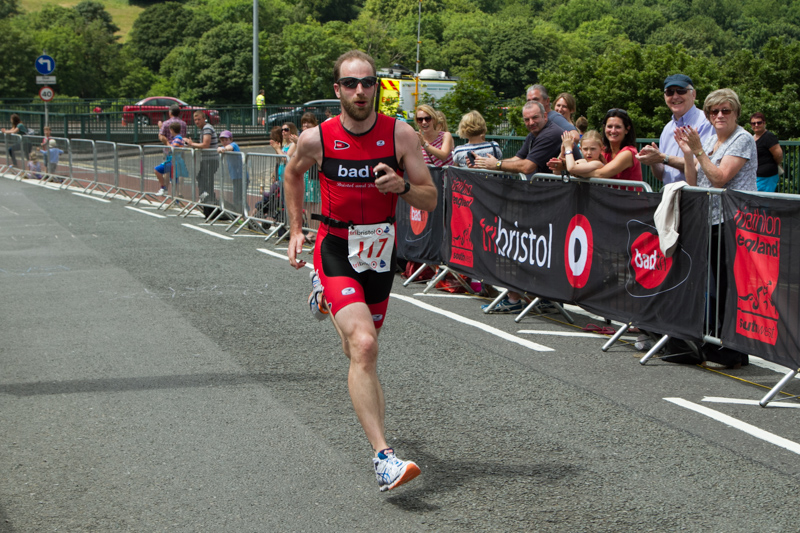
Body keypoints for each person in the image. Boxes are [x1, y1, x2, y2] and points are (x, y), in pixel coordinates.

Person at [284, 49, 436, 492]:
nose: (360, 91)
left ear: (377, 89)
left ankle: (322, 296)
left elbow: (429, 197)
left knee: (355, 350)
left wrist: (403, 186)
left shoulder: (401, 135)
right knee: (365, 345)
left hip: (380, 253)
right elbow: (293, 174)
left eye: (368, 83)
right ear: (337, 90)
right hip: (335, 247)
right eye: (350, 83)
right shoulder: (318, 139)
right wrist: (296, 229)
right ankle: (384, 457)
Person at [674, 88, 756, 369]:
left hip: (734, 221)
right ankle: (715, 340)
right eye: (714, 111)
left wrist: (697, 150)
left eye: (725, 110)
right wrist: (688, 154)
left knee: (727, 285)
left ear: (736, 113)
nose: (719, 115)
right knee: (715, 284)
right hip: (711, 218)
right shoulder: (711, 140)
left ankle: (732, 347)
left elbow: (720, 178)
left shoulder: (741, 139)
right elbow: (694, 182)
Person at [472, 100, 563, 313]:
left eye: (535, 118)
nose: (531, 123)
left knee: (537, 250)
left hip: (553, 203)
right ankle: (530, 296)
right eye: (527, 119)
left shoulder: (551, 134)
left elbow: (527, 166)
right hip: (540, 202)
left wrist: (495, 165)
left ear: (545, 117)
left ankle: (527, 297)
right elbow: (517, 158)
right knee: (531, 249)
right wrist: (485, 163)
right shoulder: (534, 136)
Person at [636, 74, 714, 185]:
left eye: (681, 91)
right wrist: (653, 159)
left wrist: (663, 158)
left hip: (697, 197)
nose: (675, 96)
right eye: (670, 92)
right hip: (671, 197)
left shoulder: (706, 123)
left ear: (693, 94)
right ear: (664, 97)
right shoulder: (667, 129)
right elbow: (661, 176)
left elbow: (703, 166)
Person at [185, 110, 219, 217]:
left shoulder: (207, 128)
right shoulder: (204, 129)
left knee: (206, 183)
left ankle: (210, 207)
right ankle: (207, 206)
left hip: (210, 160)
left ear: (204, 118)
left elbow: (205, 145)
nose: (197, 121)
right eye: (195, 120)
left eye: (199, 119)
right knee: (202, 180)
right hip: (207, 160)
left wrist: (192, 144)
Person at [526, 85, 580, 151]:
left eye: (536, 100)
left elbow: (575, 137)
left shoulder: (554, 118)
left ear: (547, 101)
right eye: (558, 105)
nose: (560, 109)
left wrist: (559, 155)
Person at [749, 112, 783, 192]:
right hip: (756, 176)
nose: (756, 125)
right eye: (753, 123)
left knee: (763, 201)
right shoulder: (752, 138)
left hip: (767, 176)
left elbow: (778, 155)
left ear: (764, 123)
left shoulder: (769, 136)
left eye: (759, 123)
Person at [217, 130, 247, 213]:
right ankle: (241, 213)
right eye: (222, 140)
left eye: (226, 140)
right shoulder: (225, 147)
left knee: (239, 198)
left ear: (231, 139)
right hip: (235, 176)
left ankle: (245, 214)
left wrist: (222, 148)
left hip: (242, 176)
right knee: (237, 198)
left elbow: (229, 148)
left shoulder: (234, 145)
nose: (224, 142)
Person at [154, 122, 185, 195]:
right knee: (174, 180)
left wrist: (167, 142)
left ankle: (164, 188)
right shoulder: (176, 138)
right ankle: (175, 198)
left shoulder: (178, 138)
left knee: (157, 170)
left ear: (172, 130)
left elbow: (172, 149)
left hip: (173, 161)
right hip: (172, 161)